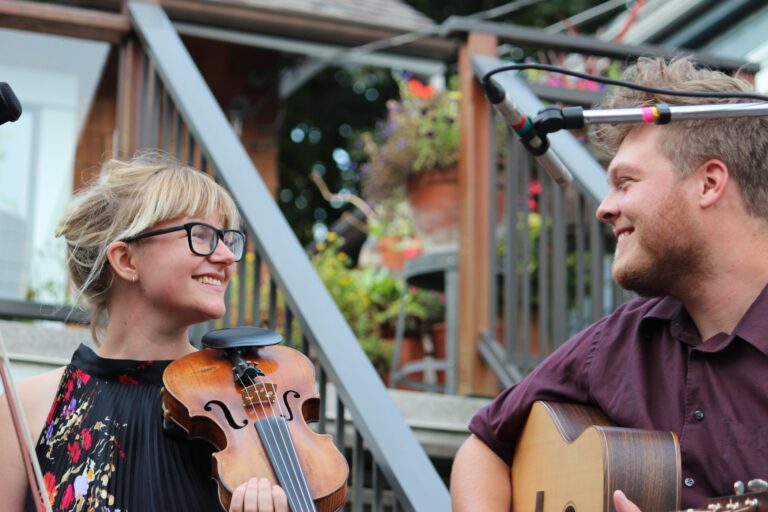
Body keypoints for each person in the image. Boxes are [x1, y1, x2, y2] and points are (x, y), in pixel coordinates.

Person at [451, 56, 768, 511]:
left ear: (709, 183)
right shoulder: (620, 340)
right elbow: (484, 448)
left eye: (626, 182)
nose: (604, 208)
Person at [0, 155, 289, 512]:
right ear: (126, 260)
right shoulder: (27, 408)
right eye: (201, 235)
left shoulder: (244, 402)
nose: (227, 256)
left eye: (226, 238)